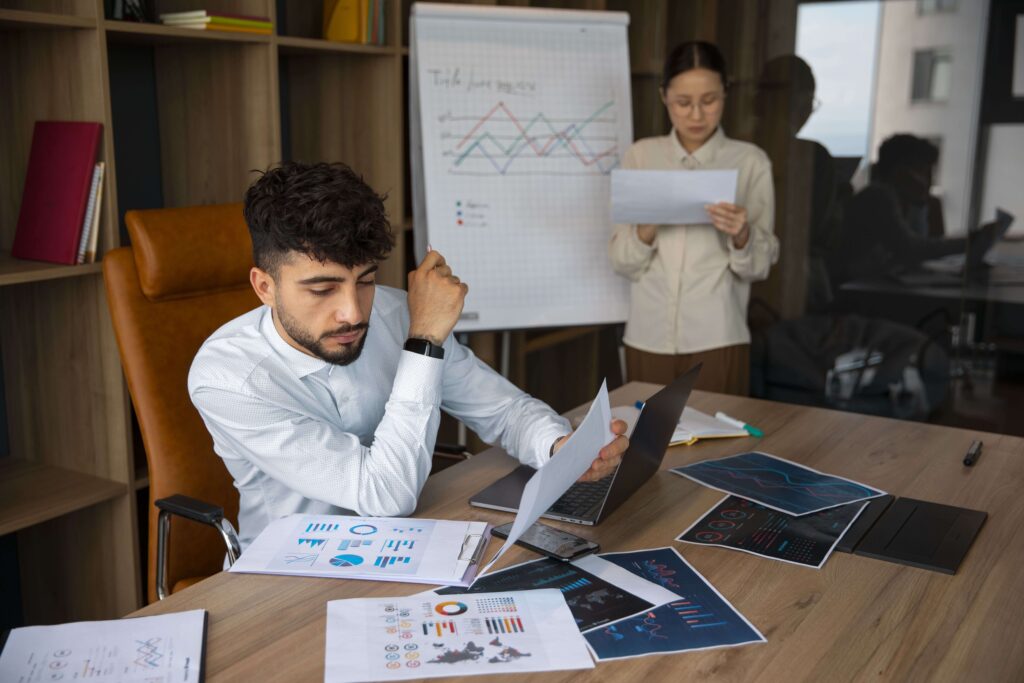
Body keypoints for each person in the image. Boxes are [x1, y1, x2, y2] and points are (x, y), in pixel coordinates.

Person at [188, 161, 628, 550]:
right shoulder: (229, 378)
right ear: (264, 286)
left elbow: (505, 410)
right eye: (322, 289)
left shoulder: (397, 313)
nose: (353, 312)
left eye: (365, 280)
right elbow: (386, 494)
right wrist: (423, 342)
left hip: (408, 546)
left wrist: (558, 446)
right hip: (287, 574)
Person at [609, 41, 779, 395]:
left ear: (726, 94)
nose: (696, 115)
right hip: (648, 334)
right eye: (683, 103)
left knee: (721, 446)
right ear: (663, 96)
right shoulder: (641, 156)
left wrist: (742, 235)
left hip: (718, 337)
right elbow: (622, 264)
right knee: (644, 445)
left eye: (709, 100)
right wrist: (648, 227)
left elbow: (759, 268)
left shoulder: (749, 162)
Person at [829, 134, 992, 285]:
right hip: (852, 287)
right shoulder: (878, 196)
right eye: (922, 170)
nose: (927, 179)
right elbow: (911, 249)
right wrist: (968, 243)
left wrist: (919, 204)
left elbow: (915, 248)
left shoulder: (894, 198)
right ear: (901, 169)